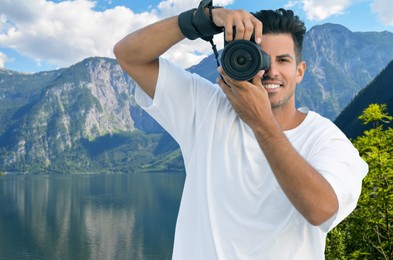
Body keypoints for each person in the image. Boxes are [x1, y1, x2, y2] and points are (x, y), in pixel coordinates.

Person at [114, 2, 368, 259]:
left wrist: (261, 123)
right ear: (239, 60)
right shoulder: (207, 107)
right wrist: (203, 20)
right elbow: (129, 55)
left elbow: (321, 210)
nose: (270, 70)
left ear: (300, 71)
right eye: (261, 57)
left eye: (283, 60)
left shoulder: (325, 138)